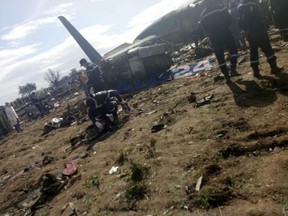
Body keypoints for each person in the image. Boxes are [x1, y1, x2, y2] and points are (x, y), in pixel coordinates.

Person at [238, 0, 284, 78]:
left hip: (252, 33)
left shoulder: (240, 5)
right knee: (267, 48)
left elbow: (240, 21)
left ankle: (256, 71)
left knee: (254, 51)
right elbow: (247, 17)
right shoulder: (250, 3)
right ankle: (274, 68)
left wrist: (245, 29)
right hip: (258, 30)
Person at [200, 0, 239, 84]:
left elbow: (205, 30)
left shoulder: (203, 15)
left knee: (220, 56)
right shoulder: (220, 7)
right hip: (225, 33)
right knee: (233, 50)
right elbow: (229, 19)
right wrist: (224, 27)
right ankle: (233, 68)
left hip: (214, 38)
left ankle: (226, 76)